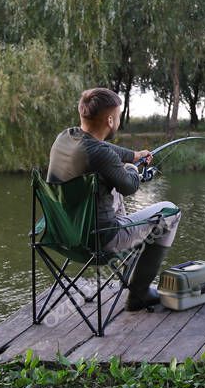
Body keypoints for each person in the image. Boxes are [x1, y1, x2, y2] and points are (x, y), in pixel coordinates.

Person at [47, 87, 181, 311]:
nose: (118, 120)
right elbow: (129, 186)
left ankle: (131, 261)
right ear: (110, 120)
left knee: (109, 183)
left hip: (63, 232)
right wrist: (133, 169)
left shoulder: (65, 137)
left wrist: (133, 156)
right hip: (101, 240)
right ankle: (138, 293)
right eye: (118, 116)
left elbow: (102, 148)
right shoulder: (101, 155)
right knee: (171, 212)